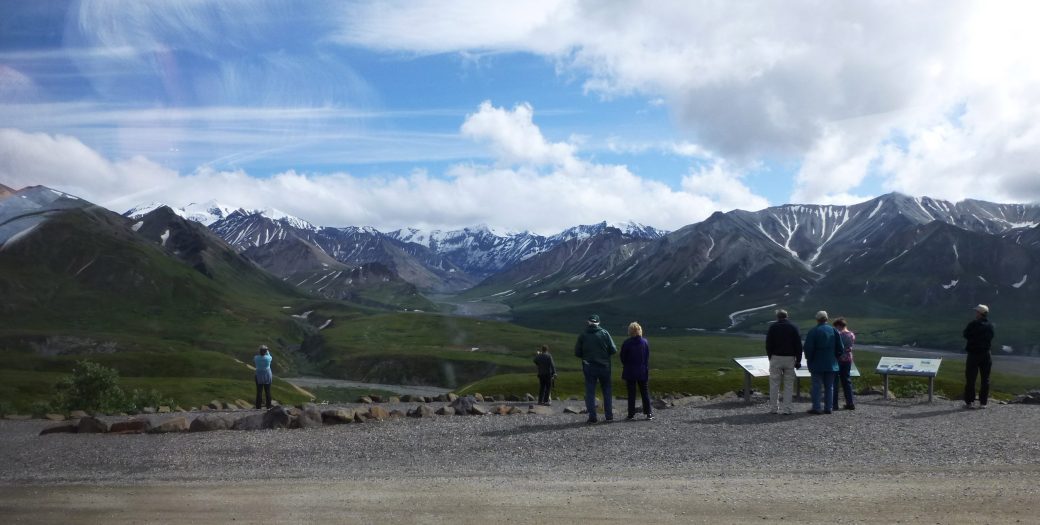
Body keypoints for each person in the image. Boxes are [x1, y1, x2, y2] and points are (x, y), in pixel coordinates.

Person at [574, 314, 618, 423]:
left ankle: (592, 417)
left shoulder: (583, 335)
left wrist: (586, 357)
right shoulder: (604, 333)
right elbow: (613, 350)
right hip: (604, 367)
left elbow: (577, 352)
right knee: (607, 390)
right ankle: (609, 416)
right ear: (598, 322)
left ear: (588, 322)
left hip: (589, 366)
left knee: (590, 392)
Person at [802, 311, 843, 415]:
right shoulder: (834, 330)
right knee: (829, 386)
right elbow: (841, 348)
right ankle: (828, 408)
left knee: (816, 385)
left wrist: (809, 359)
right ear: (827, 319)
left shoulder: (813, 331)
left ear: (817, 319)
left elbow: (808, 348)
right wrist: (835, 357)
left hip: (816, 362)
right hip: (831, 363)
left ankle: (816, 407)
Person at [765, 309, 802, 415]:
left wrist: (770, 357)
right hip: (790, 358)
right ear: (787, 316)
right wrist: (798, 360)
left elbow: (768, 344)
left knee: (774, 384)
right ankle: (787, 409)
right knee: (789, 384)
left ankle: (773, 408)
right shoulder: (793, 327)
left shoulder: (773, 327)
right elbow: (798, 346)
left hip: (776, 357)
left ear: (777, 317)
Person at [963, 304, 995, 409]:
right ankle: (983, 403)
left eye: (977, 312)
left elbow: (966, 334)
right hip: (986, 354)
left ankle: (970, 402)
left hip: (973, 354)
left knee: (970, 378)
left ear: (980, 313)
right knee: (985, 379)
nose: (975, 313)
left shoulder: (973, 324)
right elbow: (991, 337)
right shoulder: (990, 326)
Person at [620, 321, 653, 421]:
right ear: (640, 330)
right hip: (642, 371)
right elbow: (647, 356)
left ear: (630, 331)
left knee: (631, 393)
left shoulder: (627, 343)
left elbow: (623, 357)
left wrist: (626, 365)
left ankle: (631, 414)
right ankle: (649, 413)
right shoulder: (645, 342)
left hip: (630, 371)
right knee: (644, 392)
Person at [832, 317, 856, 410]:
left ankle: (834, 405)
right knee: (846, 381)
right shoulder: (851, 334)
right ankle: (850, 403)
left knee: (835, 381)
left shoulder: (837, 334)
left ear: (838, 325)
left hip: (837, 359)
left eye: (836, 326)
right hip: (848, 359)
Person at [254, 345, 273, 409]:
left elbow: (256, 358)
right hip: (267, 375)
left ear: (260, 351)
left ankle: (258, 407)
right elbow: (269, 355)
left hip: (259, 375)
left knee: (259, 391)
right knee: (267, 391)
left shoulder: (256, 358)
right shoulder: (268, 358)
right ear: (266, 351)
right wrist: (267, 351)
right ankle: (268, 406)